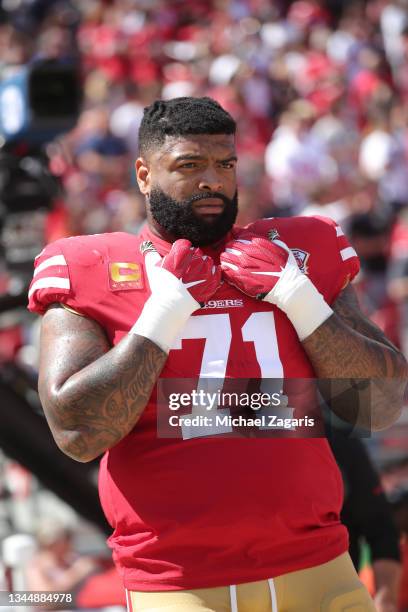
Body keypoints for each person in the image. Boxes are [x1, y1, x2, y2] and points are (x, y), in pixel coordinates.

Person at [28, 97, 407, 612]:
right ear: (144, 174)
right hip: (180, 582)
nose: (213, 180)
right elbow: (77, 433)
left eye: (225, 164)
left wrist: (300, 301)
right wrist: (161, 319)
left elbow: (378, 406)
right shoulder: (90, 264)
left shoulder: (297, 251)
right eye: (189, 165)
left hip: (319, 567)